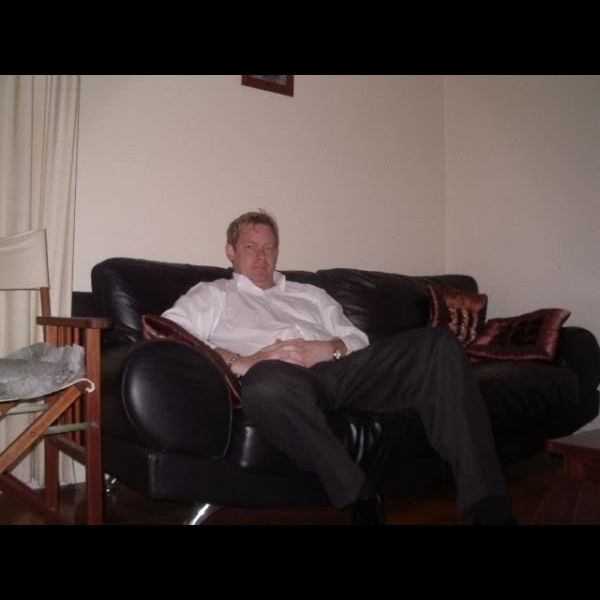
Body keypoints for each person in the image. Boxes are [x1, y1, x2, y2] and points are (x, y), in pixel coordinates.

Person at [163, 210, 516, 525]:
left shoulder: (310, 294)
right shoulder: (214, 295)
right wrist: (244, 361)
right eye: (250, 247)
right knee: (265, 384)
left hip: (342, 372)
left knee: (438, 343)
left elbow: (357, 339)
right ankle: (359, 493)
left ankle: (488, 502)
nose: (262, 256)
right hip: (280, 378)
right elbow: (169, 336)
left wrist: (329, 348)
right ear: (230, 251)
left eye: (269, 247)